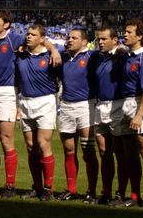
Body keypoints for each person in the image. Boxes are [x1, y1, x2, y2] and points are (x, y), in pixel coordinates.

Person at [0, 11, 61, 198]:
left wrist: (53, 49)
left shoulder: (15, 40)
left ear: (6, 25)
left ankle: (11, 185)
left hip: (7, 93)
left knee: (9, 141)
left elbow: (39, 39)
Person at [111, 18, 143, 210]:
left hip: (140, 104)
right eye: (124, 31)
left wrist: (139, 115)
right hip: (126, 103)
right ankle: (134, 195)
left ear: (139, 36)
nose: (125, 34)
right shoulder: (128, 56)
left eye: (129, 32)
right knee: (130, 155)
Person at [15, 24, 58, 201]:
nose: (28, 37)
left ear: (42, 39)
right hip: (25, 102)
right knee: (31, 147)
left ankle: (48, 188)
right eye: (28, 34)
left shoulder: (51, 55)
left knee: (43, 143)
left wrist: (53, 49)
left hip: (45, 101)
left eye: (33, 34)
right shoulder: (20, 55)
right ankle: (37, 187)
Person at [56, 27, 99, 202]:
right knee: (68, 151)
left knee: (88, 151)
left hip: (86, 106)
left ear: (84, 42)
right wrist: (52, 49)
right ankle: (71, 189)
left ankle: (91, 191)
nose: (69, 40)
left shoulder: (92, 57)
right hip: (66, 106)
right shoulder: (63, 57)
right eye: (68, 37)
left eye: (74, 38)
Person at [90, 26, 123, 205]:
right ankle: (107, 191)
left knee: (120, 152)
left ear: (115, 40)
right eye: (98, 39)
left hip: (117, 105)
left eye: (103, 39)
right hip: (100, 105)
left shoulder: (121, 56)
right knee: (104, 152)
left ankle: (122, 192)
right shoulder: (96, 57)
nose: (100, 42)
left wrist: (121, 50)